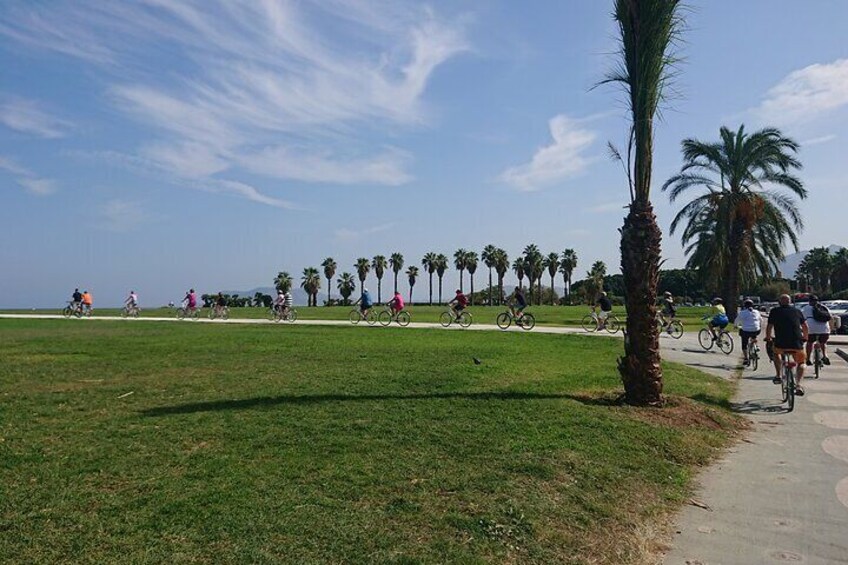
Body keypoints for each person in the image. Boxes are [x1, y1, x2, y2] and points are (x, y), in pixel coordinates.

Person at [765, 294, 809, 394]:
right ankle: (798, 385)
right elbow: (805, 326)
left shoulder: (774, 311)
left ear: (779, 302)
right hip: (796, 342)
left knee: (776, 354)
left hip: (781, 342)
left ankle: (778, 375)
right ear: (789, 302)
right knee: (801, 363)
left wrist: (768, 338)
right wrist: (805, 337)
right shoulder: (797, 311)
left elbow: (769, 326)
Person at [801, 295, 832, 366]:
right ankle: (825, 356)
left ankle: (808, 359)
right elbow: (830, 317)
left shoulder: (805, 308)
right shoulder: (824, 307)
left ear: (809, 301)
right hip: (824, 329)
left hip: (811, 328)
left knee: (809, 343)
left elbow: (802, 319)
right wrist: (831, 328)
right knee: (823, 343)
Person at [737, 299, 762, 366]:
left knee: (744, 344)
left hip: (746, 331)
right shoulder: (756, 311)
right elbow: (760, 320)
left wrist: (736, 326)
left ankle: (746, 358)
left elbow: (737, 321)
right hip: (756, 330)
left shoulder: (742, 312)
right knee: (754, 334)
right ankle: (756, 345)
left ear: (744, 306)